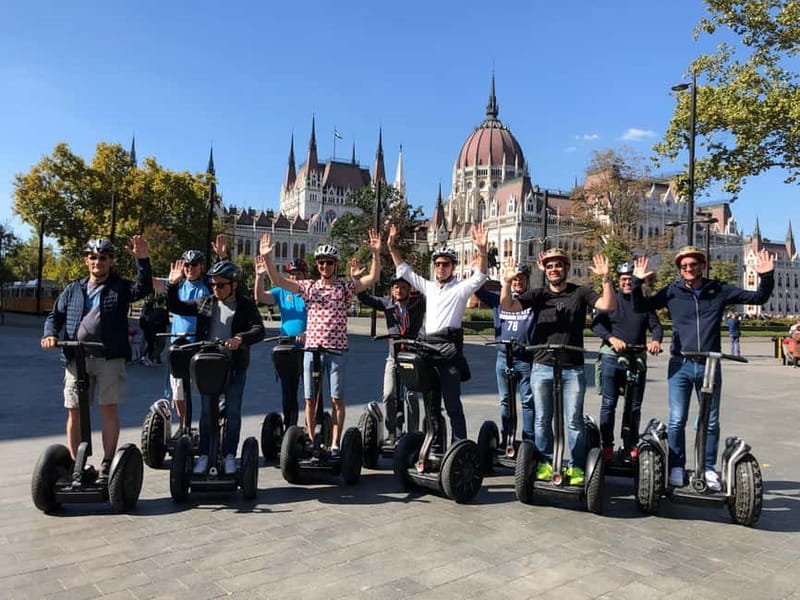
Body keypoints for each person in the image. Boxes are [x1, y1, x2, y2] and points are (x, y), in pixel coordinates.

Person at [631, 246, 774, 491]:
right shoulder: (672, 291)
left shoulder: (718, 290)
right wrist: (636, 282)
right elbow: (641, 306)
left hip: (710, 364)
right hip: (681, 364)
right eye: (684, 266)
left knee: (709, 421)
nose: (688, 269)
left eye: (693, 265)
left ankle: (708, 469)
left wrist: (766, 276)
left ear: (702, 266)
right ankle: (676, 466)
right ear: (680, 269)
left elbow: (757, 298)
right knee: (677, 420)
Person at [499, 249, 616, 486]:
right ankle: (546, 462)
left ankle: (576, 467)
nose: (554, 270)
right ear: (546, 270)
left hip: (572, 366)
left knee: (573, 420)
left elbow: (607, 305)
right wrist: (507, 282)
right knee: (542, 419)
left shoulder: (580, 292)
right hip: (542, 365)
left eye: (559, 266)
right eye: (550, 266)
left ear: (566, 268)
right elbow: (508, 307)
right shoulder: (538, 294)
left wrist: (605, 279)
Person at [259, 230, 382, 454]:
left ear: (335, 265)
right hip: (312, 350)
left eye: (329, 262)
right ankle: (310, 439)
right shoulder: (309, 287)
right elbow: (278, 280)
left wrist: (375, 254)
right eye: (321, 263)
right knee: (309, 400)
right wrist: (267, 258)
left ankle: (334, 444)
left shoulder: (344, 288)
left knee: (337, 399)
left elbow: (371, 279)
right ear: (317, 266)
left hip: (337, 351)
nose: (325, 266)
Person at [42, 236, 153, 482]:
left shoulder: (120, 287)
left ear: (111, 261)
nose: (98, 262)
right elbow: (54, 316)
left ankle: (106, 463)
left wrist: (142, 259)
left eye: (103, 258)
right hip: (75, 357)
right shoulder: (74, 289)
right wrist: (50, 334)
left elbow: (143, 289)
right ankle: (75, 464)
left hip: (109, 358)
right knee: (74, 411)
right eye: (93, 257)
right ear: (86, 260)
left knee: (107, 409)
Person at [386, 222, 489, 443]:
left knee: (452, 404)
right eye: (437, 264)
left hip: (449, 352)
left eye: (445, 264)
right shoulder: (429, 287)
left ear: (453, 267)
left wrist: (482, 250)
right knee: (431, 405)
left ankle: (459, 445)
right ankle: (434, 443)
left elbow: (480, 277)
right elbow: (404, 270)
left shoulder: (460, 289)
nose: (440, 268)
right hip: (428, 351)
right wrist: (392, 245)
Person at [166, 259, 265, 475]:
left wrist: (240, 338)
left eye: (221, 285)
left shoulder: (245, 305)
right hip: (208, 365)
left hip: (235, 365)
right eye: (213, 285)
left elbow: (259, 330)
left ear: (233, 284)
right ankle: (203, 454)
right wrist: (173, 286)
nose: (216, 289)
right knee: (206, 411)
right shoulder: (206, 302)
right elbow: (177, 306)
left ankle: (229, 454)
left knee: (233, 409)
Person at [591, 262, 663, 462]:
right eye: (623, 279)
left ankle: (630, 444)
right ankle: (607, 446)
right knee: (608, 403)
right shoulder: (611, 300)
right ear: (618, 281)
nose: (627, 282)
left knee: (634, 406)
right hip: (612, 357)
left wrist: (656, 340)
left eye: (630, 278)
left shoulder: (643, 302)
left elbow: (656, 326)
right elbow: (597, 325)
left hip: (637, 356)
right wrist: (612, 339)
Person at [152, 235, 227, 425]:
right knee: (178, 391)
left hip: (201, 343)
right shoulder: (176, 284)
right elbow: (149, 282)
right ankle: (185, 425)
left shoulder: (208, 286)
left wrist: (223, 257)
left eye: (194, 264)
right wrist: (141, 259)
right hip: (178, 344)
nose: (190, 268)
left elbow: (225, 278)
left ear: (201, 266)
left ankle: (207, 424)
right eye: (186, 265)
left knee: (204, 388)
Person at [355, 274, 426, 441]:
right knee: (388, 394)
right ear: (391, 290)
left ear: (409, 289)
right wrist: (357, 280)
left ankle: (412, 434)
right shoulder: (387, 303)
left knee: (410, 395)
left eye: (403, 287)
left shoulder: (418, 302)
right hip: (393, 356)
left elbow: (433, 294)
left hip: (412, 356)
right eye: (396, 287)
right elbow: (364, 297)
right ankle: (392, 432)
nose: (399, 290)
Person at [474, 263, 536, 445]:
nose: (518, 282)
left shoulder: (533, 299)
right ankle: (507, 438)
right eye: (515, 278)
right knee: (505, 401)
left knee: (527, 401)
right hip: (503, 357)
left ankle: (528, 441)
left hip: (525, 358)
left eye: (521, 278)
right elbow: (477, 290)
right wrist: (478, 268)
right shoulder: (498, 299)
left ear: (527, 281)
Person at [254, 256, 309, 428]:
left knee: (311, 390)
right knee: (288, 390)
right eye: (292, 274)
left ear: (305, 274)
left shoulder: (311, 290)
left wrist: (308, 332)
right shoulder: (281, 290)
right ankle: (289, 425)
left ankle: (313, 427)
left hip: (309, 345)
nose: (295, 277)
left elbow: (320, 315)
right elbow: (261, 297)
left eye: (299, 274)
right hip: (287, 345)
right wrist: (259, 276)